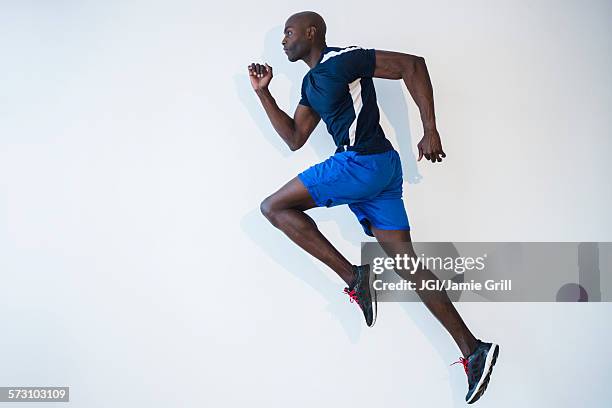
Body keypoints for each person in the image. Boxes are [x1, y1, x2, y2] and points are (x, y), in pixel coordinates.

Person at [248, 11, 499, 404]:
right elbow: (295, 137)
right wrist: (263, 92)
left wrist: (430, 128)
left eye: (289, 32)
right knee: (408, 264)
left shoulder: (343, 59)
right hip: (378, 171)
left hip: (362, 161)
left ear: (312, 33)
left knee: (273, 207)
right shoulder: (311, 84)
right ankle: (473, 349)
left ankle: (355, 277)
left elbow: (411, 65)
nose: (283, 40)